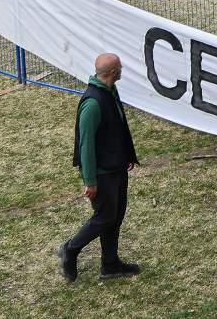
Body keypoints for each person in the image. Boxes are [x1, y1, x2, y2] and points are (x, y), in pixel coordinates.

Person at [58, 52, 141, 283]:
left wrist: (126, 155)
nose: (122, 68)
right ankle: (70, 249)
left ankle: (110, 264)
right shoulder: (93, 102)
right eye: (120, 66)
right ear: (113, 72)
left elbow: (116, 128)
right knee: (104, 216)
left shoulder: (110, 91)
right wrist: (90, 181)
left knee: (116, 216)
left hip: (116, 167)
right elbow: (86, 145)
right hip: (102, 173)